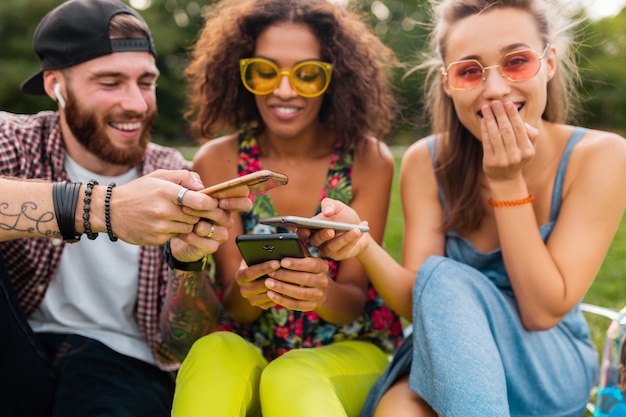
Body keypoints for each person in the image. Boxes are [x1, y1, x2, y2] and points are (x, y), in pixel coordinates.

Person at [304, 0, 626, 416]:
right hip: (449, 359)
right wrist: (361, 243)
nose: (494, 89)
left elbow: (542, 311)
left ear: (549, 63)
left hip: (547, 367)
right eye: (470, 71)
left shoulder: (601, 155)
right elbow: (422, 302)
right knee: (396, 410)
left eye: (517, 62)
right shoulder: (426, 161)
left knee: (446, 278)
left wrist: (507, 182)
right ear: (447, 82)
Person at [0, 0, 251, 416]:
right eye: (110, 81)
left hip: (124, 366)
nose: (136, 103)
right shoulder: (15, 141)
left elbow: (183, 347)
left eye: (146, 82)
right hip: (18, 348)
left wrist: (188, 267)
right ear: (55, 85)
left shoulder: (177, 174)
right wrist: (107, 207)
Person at [171, 0, 404, 416]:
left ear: (333, 80)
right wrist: (251, 288)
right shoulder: (217, 161)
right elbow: (234, 306)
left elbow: (351, 301)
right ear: (242, 73)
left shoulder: (369, 161)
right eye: (264, 71)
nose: (283, 90)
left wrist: (317, 292)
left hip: (346, 350)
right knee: (213, 350)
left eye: (307, 74)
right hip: (254, 343)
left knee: (293, 375)